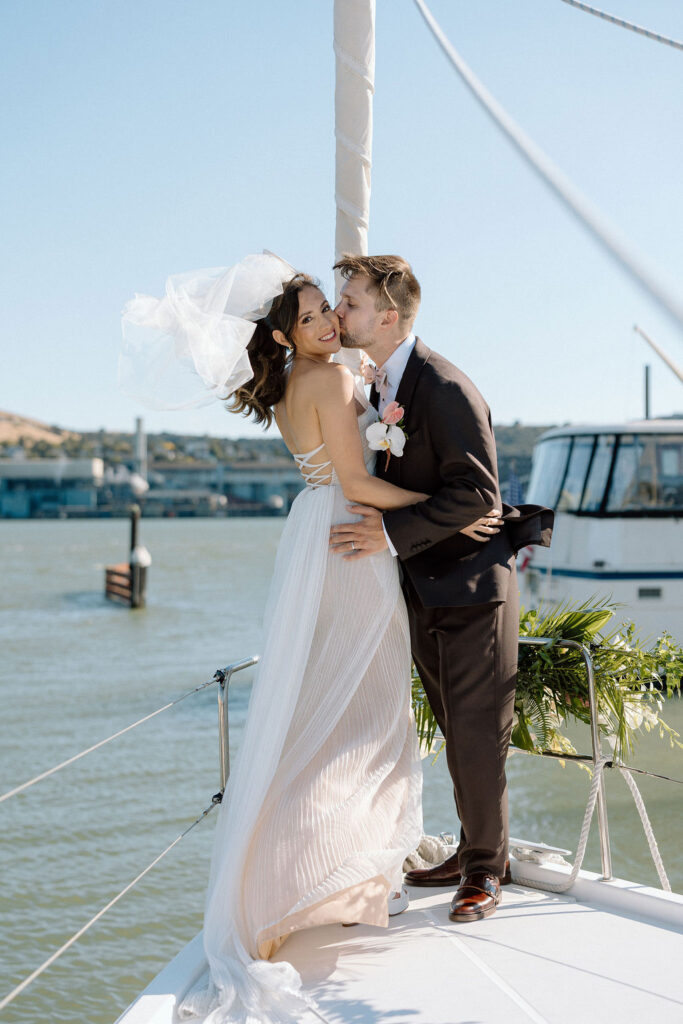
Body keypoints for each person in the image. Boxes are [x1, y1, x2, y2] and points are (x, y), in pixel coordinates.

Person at [120, 253, 498, 1023]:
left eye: (332, 307)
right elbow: (358, 482)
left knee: (325, 705)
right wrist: (445, 503)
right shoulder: (326, 377)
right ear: (286, 335)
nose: (330, 320)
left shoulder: (299, 381)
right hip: (353, 536)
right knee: (365, 707)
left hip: (312, 535)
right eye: (313, 315)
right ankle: (329, 878)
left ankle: (325, 872)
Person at [329, 254, 553, 924]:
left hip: (472, 590)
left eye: (350, 303)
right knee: (455, 728)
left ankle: (486, 872)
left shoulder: (446, 387)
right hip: (426, 587)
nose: (340, 314)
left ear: (388, 315)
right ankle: (473, 848)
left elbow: (478, 493)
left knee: (476, 735)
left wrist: (390, 534)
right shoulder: (382, 387)